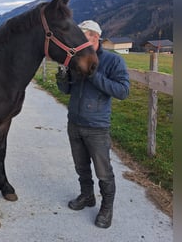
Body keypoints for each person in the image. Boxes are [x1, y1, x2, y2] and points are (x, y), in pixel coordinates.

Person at [55, 20, 130, 228]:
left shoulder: (113, 62)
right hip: (75, 123)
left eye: (82, 37)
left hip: (97, 127)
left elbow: (123, 91)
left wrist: (94, 75)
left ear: (95, 37)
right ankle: (87, 196)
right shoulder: (78, 59)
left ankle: (107, 209)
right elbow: (66, 91)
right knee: (81, 167)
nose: (77, 41)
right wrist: (62, 77)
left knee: (103, 172)